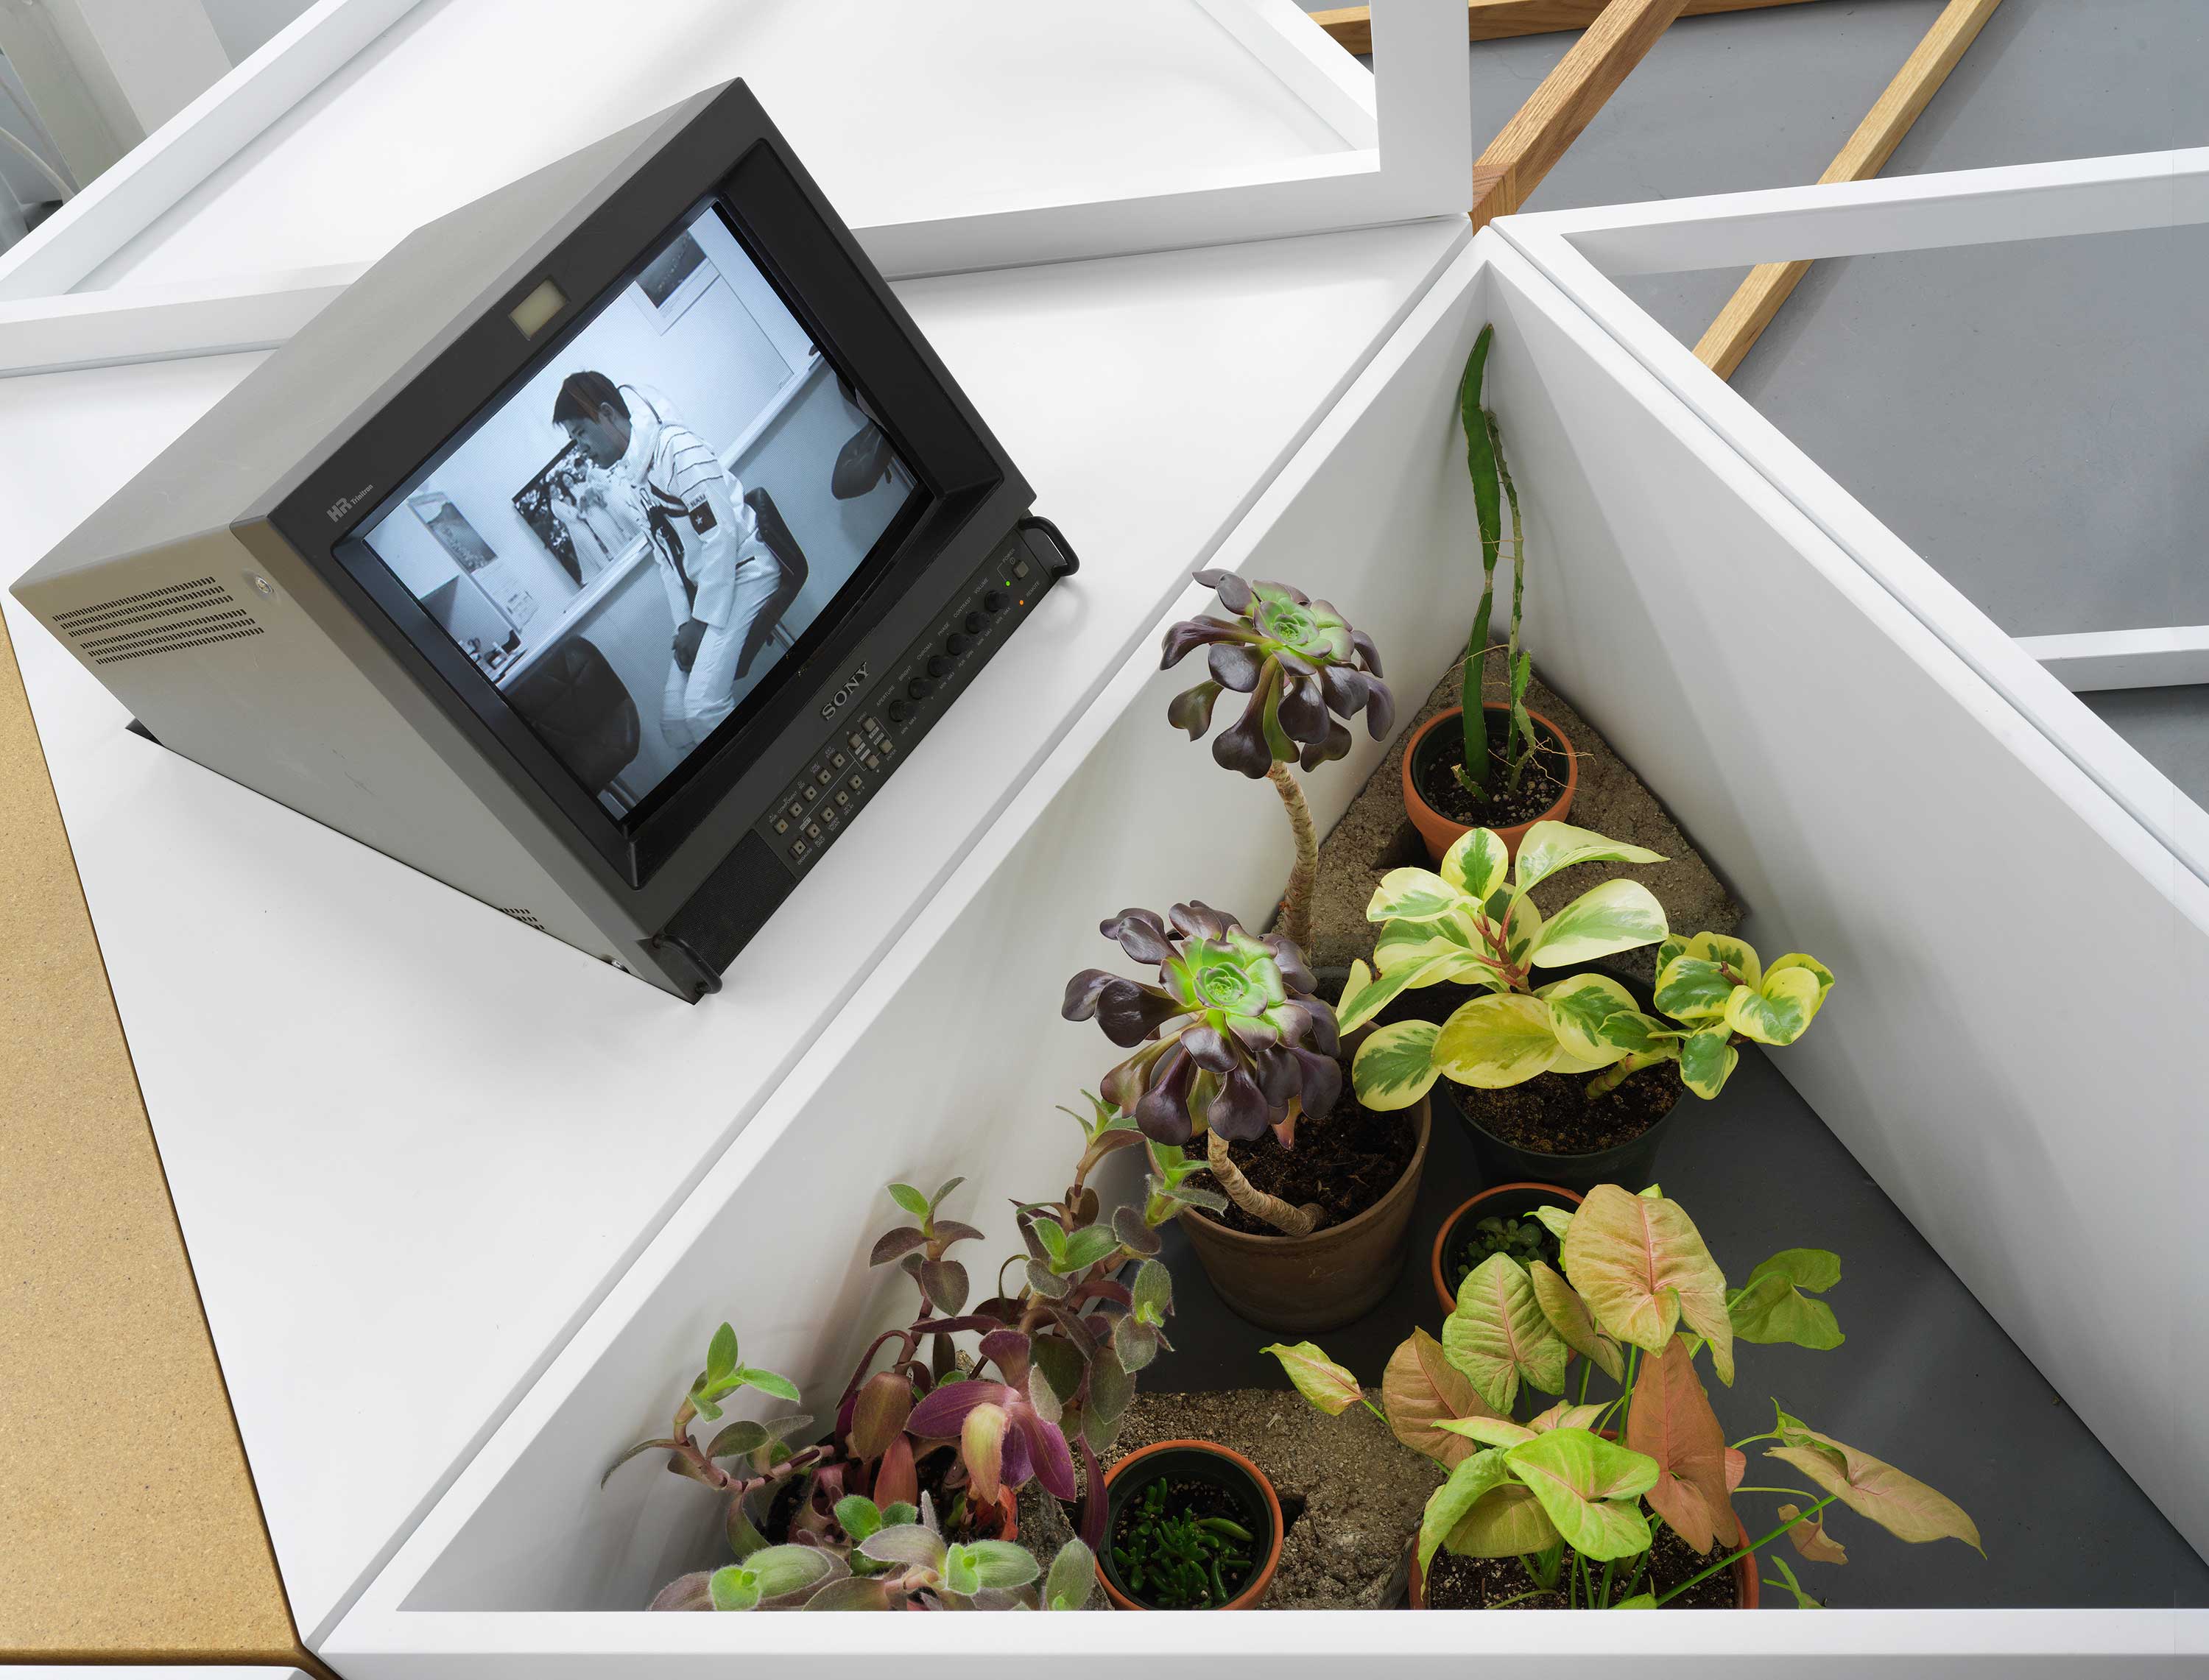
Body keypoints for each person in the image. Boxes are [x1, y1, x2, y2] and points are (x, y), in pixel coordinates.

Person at [552, 371, 802, 753]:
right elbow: (667, 559)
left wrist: (701, 624)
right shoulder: (634, 480)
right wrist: (685, 624)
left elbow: (721, 537)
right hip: (714, 589)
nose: (580, 449)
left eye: (581, 434)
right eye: (573, 441)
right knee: (675, 722)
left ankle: (781, 776)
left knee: (702, 710)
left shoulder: (675, 449)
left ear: (606, 414)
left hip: (748, 569)